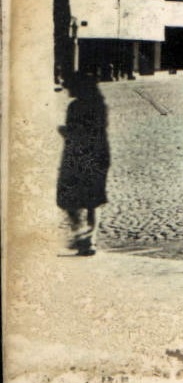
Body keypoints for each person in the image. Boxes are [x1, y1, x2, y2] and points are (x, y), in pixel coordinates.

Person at [57, 71, 110, 256]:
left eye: (69, 85)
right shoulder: (100, 105)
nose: (66, 88)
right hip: (99, 155)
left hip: (78, 157)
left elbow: (75, 133)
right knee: (93, 200)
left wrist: (63, 131)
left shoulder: (75, 107)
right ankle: (90, 241)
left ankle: (81, 235)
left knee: (68, 197)